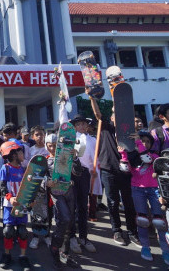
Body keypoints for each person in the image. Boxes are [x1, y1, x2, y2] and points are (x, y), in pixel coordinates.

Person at [89, 96, 139, 246]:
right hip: (108, 169)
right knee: (112, 202)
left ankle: (132, 232)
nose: (118, 117)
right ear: (111, 118)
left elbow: (138, 153)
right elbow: (97, 114)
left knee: (129, 203)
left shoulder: (130, 132)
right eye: (115, 115)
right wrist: (92, 97)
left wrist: (137, 141)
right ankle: (116, 231)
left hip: (126, 171)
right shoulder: (106, 128)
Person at [119, 132, 169, 265]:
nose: (144, 144)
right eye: (142, 141)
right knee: (142, 219)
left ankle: (166, 250)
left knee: (159, 221)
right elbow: (125, 168)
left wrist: (137, 143)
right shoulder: (132, 157)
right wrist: (123, 152)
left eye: (147, 141)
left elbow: (147, 159)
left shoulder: (154, 156)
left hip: (154, 189)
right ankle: (145, 247)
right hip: (137, 189)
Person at [45, 134, 82, 269]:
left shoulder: (67, 157)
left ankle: (65, 253)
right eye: (50, 145)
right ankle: (54, 250)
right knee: (64, 219)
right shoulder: (46, 160)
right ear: (46, 146)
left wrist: (75, 158)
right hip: (57, 194)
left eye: (56, 145)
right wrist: (47, 182)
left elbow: (78, 172)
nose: (53, 148)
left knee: (70, 222)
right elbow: (41, 178)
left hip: (69, 192)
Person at [0, 141, 32, 270]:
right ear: (12, 154)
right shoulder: (5, 168)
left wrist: (30, 200)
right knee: (8, 231)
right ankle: (7, 255)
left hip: (22, 204)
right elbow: (2, 186)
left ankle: (23, 256)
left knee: (23, 231)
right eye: (20, 152)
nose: (23, 154)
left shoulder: (24, 169)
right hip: (9, 205)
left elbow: (28, 187)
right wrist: (10, 197)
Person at [68, 114, 97, 254]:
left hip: (85, 174)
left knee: (83, 206)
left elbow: (95, 157)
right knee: (72, 205)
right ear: (74, 127)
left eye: (84, 124)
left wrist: (95, 170)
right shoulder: (70, 139)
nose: (82, 126)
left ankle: (84, 237)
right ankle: (72, 236)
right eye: (78, 124)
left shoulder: (93, 140)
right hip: (72, 173)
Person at [27, 125, 52, 250]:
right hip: (34, 186)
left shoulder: (50, 149)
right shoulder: (30, 150)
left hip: (48, 186)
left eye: (41, 134)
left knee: (48, 210)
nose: (40, 137)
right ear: (33, 137)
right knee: (35, 211)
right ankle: (36, 236)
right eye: (37, 135)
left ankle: (47, 234)